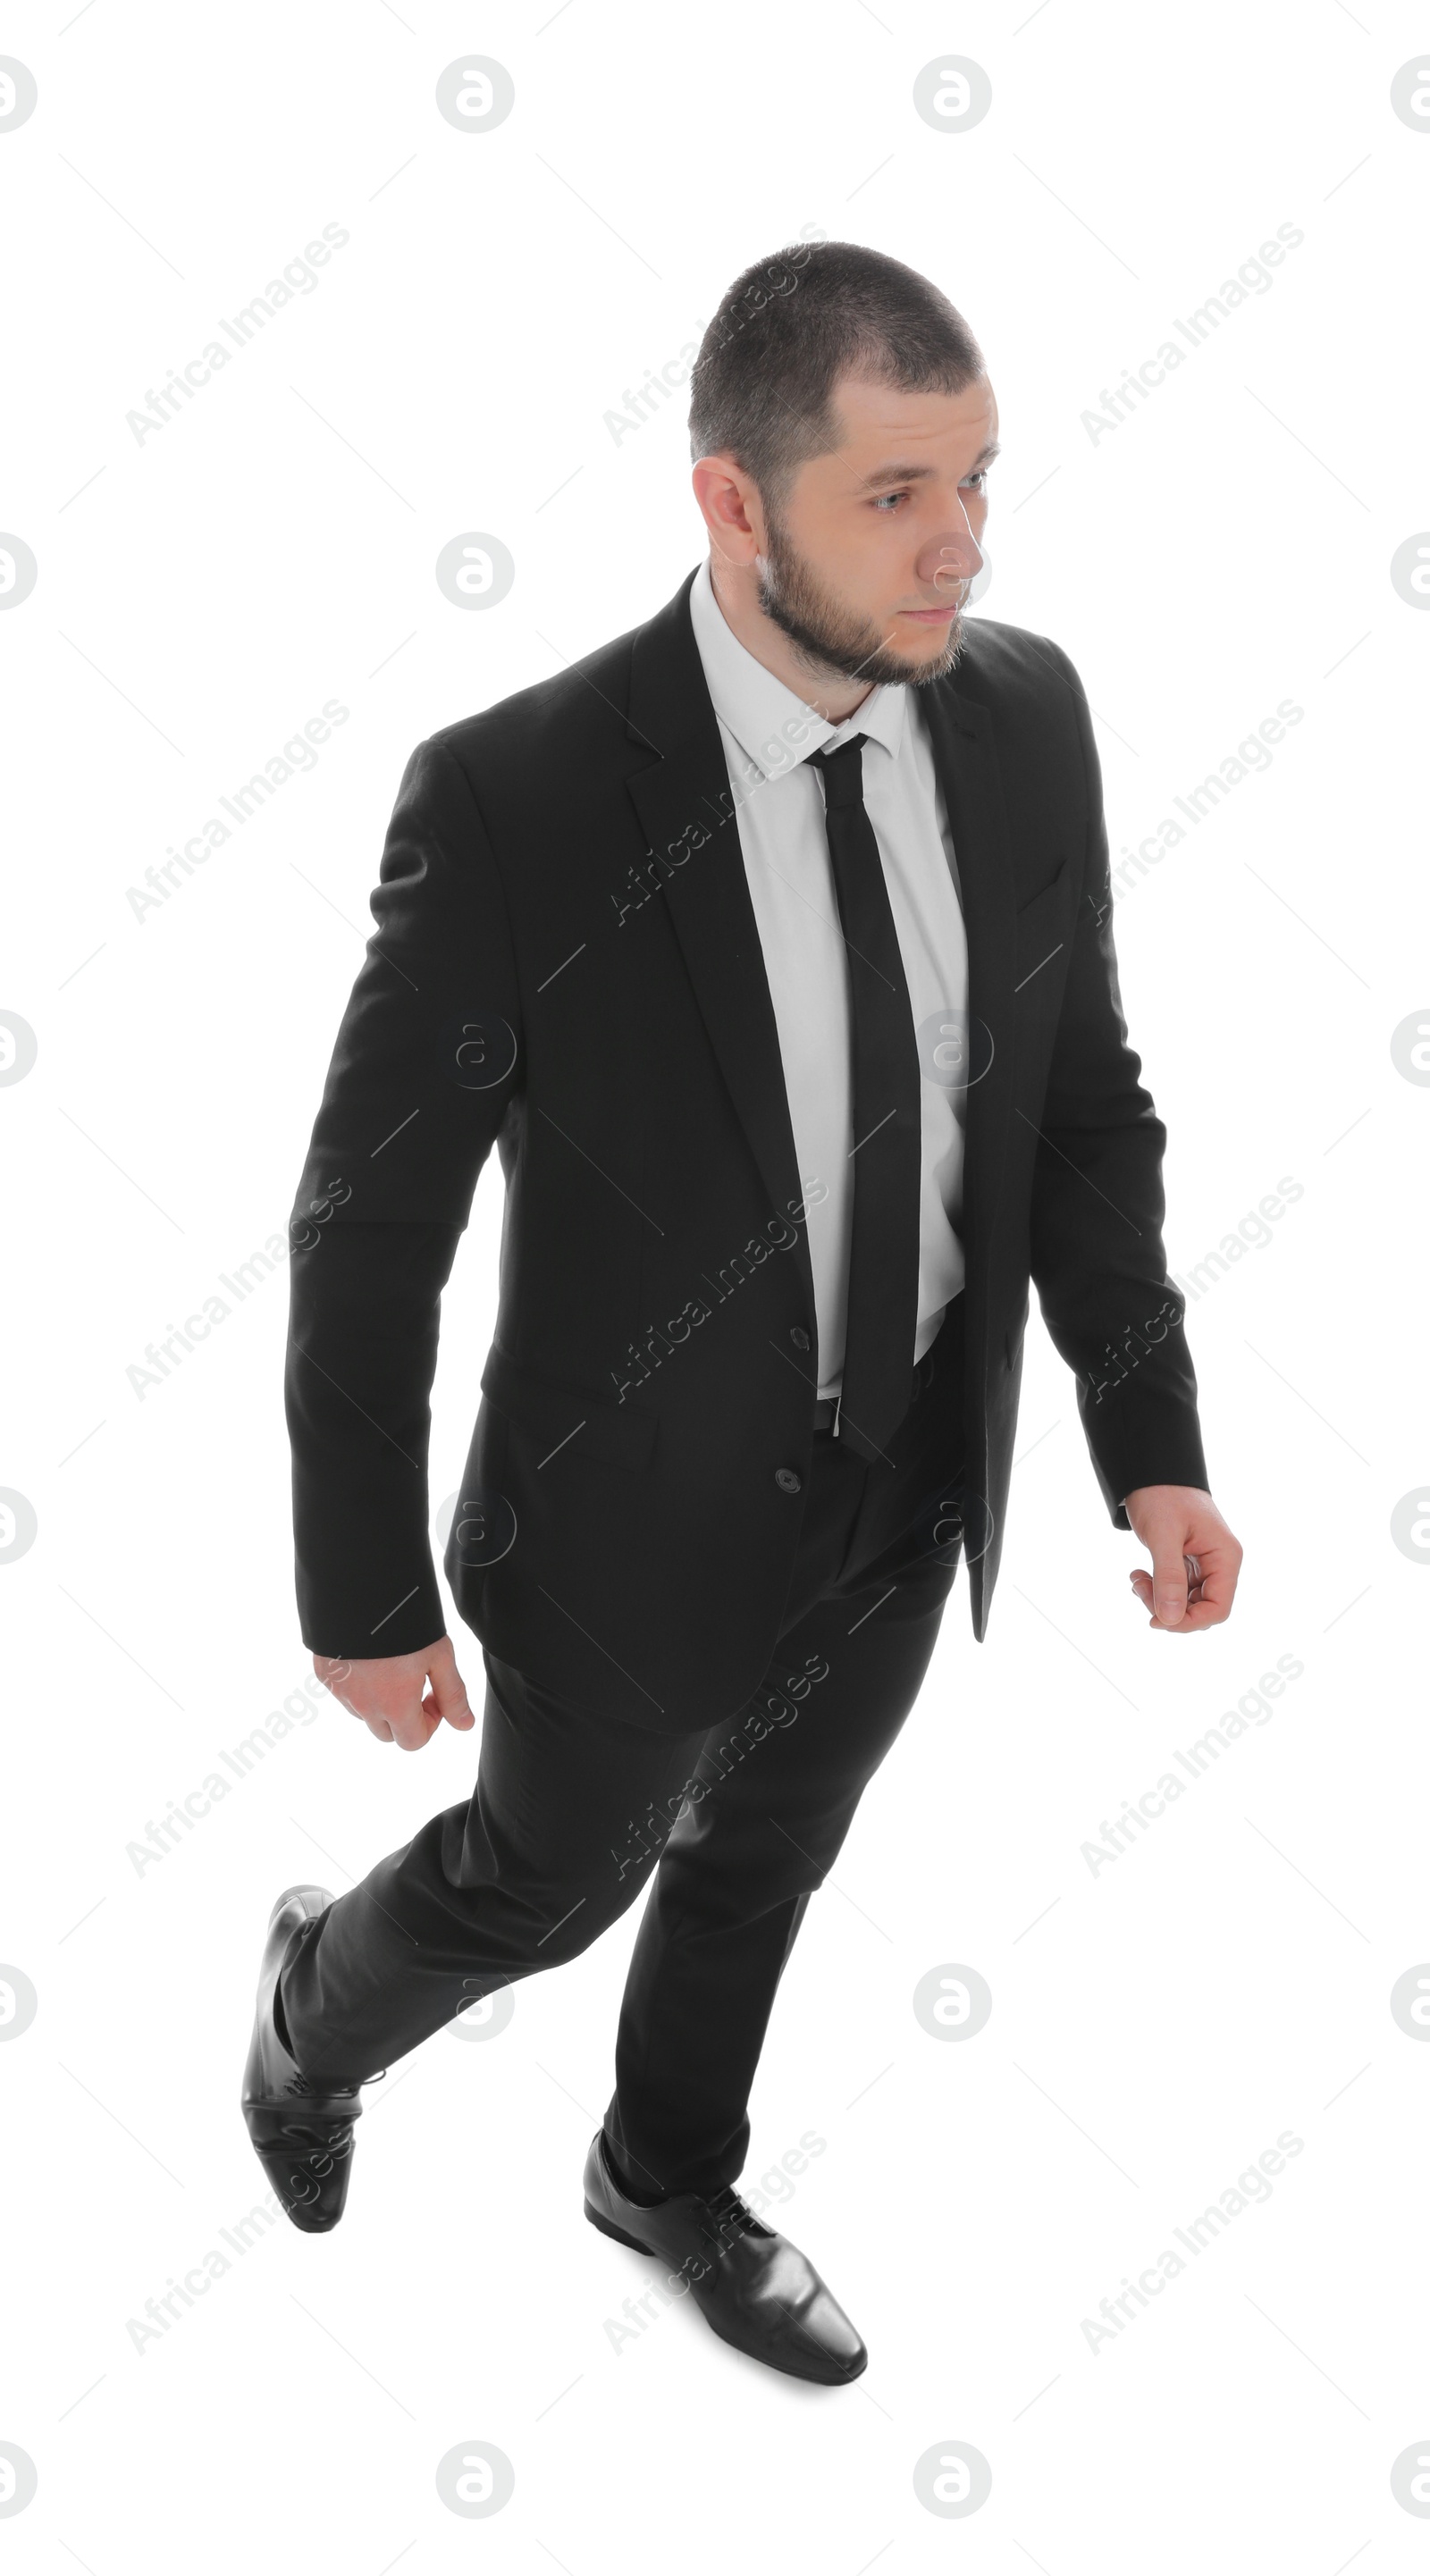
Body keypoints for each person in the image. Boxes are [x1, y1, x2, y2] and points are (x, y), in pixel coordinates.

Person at [241, 239, 1241, 2387]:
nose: (956, 538)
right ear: (731, 502)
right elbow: (365, 1224)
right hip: (623, 1521)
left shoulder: (1024, 710)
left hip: (903, 1474)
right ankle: (311, 2002)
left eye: (973, 475)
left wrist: (1142, 1427)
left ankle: (664, 2169)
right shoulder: (518, 801)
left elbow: (1077, 1099)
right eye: (891, 492)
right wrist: (356, 1581)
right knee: (545, 1878)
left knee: (764, 1858)